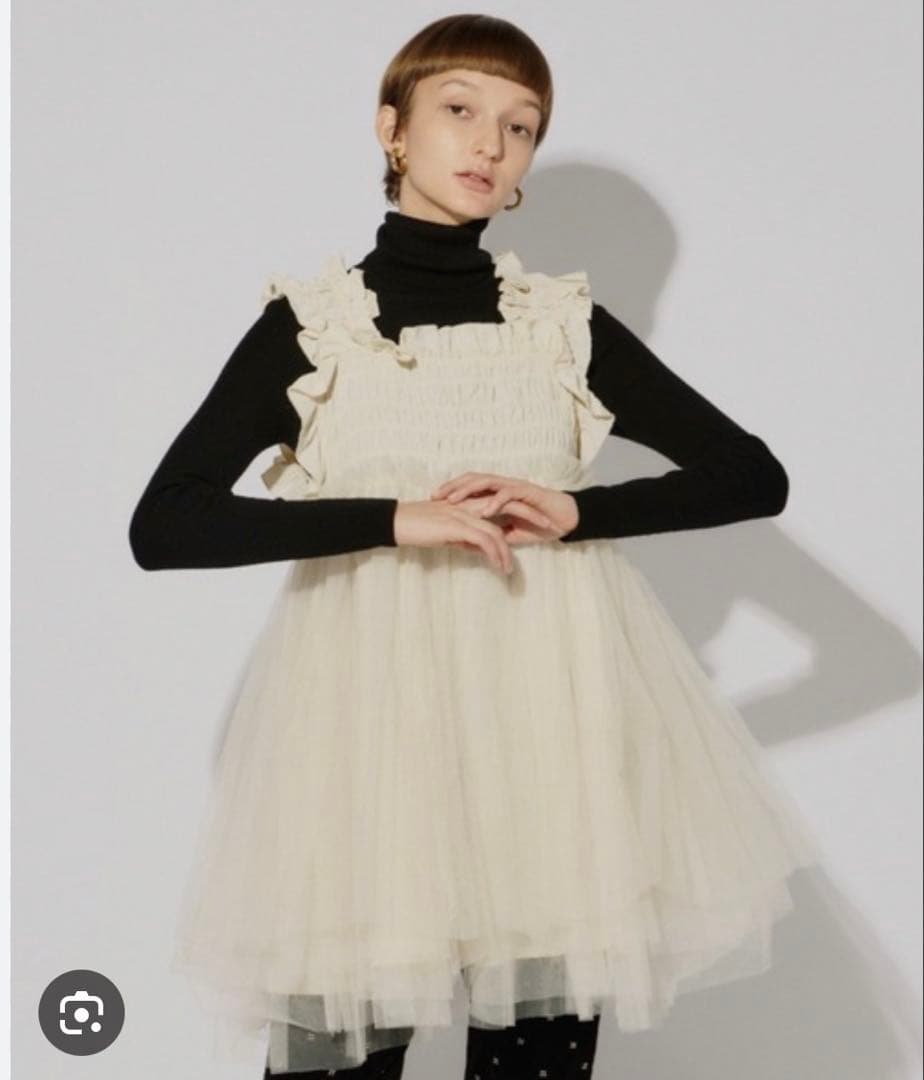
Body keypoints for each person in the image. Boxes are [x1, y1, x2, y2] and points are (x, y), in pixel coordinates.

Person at [129, 14, 820, 1079]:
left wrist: (577, 511)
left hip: (549, 741)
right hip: (366, 744)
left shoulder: (560, 326)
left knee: (535, 1060)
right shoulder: (314, 327)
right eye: (460, 109)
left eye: (520, 125)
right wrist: (389, 518)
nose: (490, 144)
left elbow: (752, 474)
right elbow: (166, 523)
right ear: (392, 130)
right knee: (336, 1055)